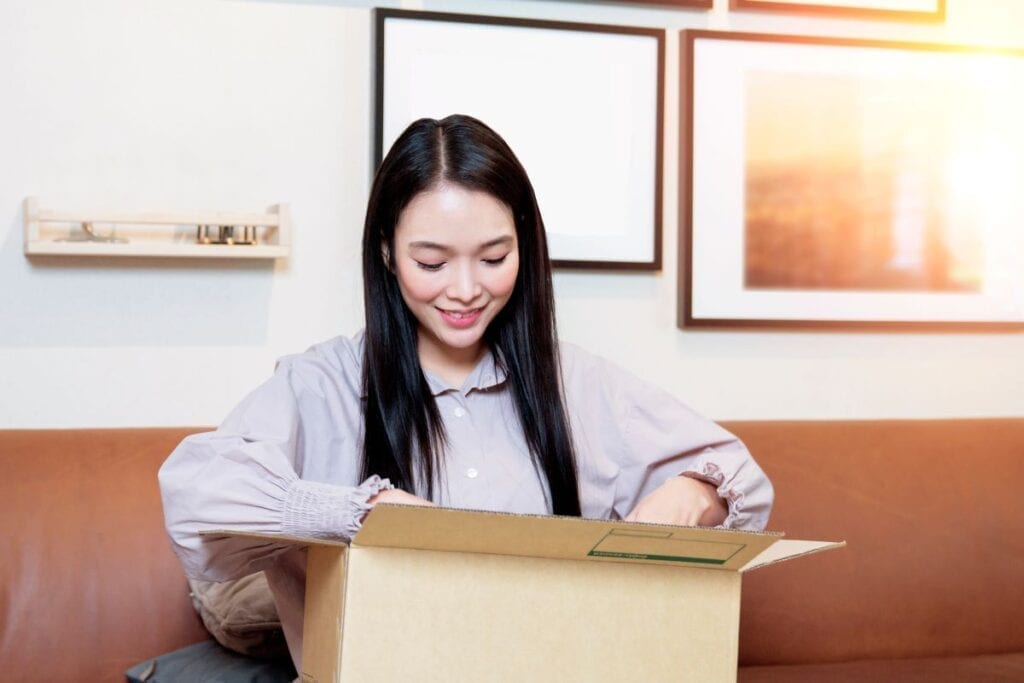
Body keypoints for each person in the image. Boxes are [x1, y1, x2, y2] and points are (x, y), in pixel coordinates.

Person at [159, 114, 773, 670]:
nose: (465, 290)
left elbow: (739, 477)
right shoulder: (326, 384)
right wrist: (358, 515)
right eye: (431, 263)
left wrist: (693, 495)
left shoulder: (575, 383)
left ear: (523, 248)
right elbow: (196, 492)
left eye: (493, 257)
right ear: (387, 254)